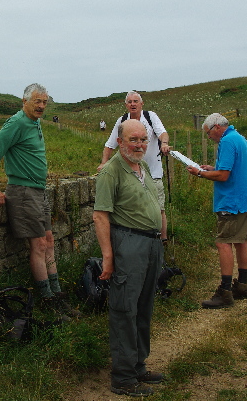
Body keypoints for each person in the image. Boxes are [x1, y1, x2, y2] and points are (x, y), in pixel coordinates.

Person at [0, 83, 78, 317]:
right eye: (37, 101)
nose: (42, 106)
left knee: (49, 241)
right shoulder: (17, 122)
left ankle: (57, 295)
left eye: (45, 102)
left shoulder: (34, 122)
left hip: (38, 191)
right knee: (39, 246)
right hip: (24, 192)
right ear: (24, 101)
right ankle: (48, 301)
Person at [93, 119, 167, 397]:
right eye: (132, 140)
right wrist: (108, 257)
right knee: (125, 310)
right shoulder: (111, 172)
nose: (138, 145)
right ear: (120, 142)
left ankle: (138, 365)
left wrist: (162, 240)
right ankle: (122, 378)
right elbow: (100, 216)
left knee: (144, 307)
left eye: (143, 140)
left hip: (151, 244)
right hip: (128, 245)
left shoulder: (144, 167)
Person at [187, 112, 247, 309]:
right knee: (241, 241)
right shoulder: (240, 139)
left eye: (208, 133)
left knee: (223, 243)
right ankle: (242, 286)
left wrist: (200, 173)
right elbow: (235, 168)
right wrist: (213, 167)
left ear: (217, 127)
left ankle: (225, 291)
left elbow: (224, 177)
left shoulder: (227, 142)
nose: (208, 137)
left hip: (232, 202)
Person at [99, 91, 171, 239]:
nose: (133, 104)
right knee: (136, 209)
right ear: (126, 105)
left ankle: (162, 241)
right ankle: (141, 239)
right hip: (130, 174)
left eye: (135, 101)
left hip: (154, 172)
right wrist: (103, 163)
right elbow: (110, 144)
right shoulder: (122, 121)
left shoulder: (151, 117)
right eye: (130, 102)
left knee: (159, 209)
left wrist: (164, 143)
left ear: (141, 104)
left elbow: (163, 133)